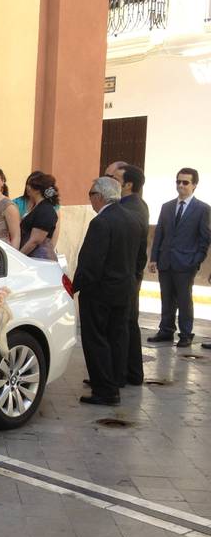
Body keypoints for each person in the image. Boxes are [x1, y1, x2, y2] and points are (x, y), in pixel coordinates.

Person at [73, 177, 138, 406]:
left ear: (99, 196)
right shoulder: (130, 218)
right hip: (123, 289)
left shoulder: (101, 222)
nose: (90, 200)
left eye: (90, 194)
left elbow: (91, 261)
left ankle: (105, 390)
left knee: (96, 339)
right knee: (117, 337)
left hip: (100, 292)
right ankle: (114, 381)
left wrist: (76, 286)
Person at [148, 167, 210, 347]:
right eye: (178, 181)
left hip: (186, 262)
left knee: (184, 299)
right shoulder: (167, 207)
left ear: (194, 185)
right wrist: (154, 258)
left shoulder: (203, 209)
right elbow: (159, 233)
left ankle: (185, 333)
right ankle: (166, 330)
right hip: (165, 260)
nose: (180, 185)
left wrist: (196, 260)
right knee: (166, 297)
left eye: (185, 182)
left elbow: (204, 238)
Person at [119, 164, 149, 386]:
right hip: (132, 274)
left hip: (126, 275)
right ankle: (132, 373)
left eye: (115, 179)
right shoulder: (139, 205)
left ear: (128, 184)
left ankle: (122, 374)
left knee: (123, 324)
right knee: (129, 323)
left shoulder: (128, 209)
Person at [19, 172, 59, 259]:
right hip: (33, 257)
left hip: (40, 259)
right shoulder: (37, 207)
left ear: (37, 190)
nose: (27, 187)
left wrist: (18, 256)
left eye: (30, 185)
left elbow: (35, 241)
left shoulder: (45, 210)